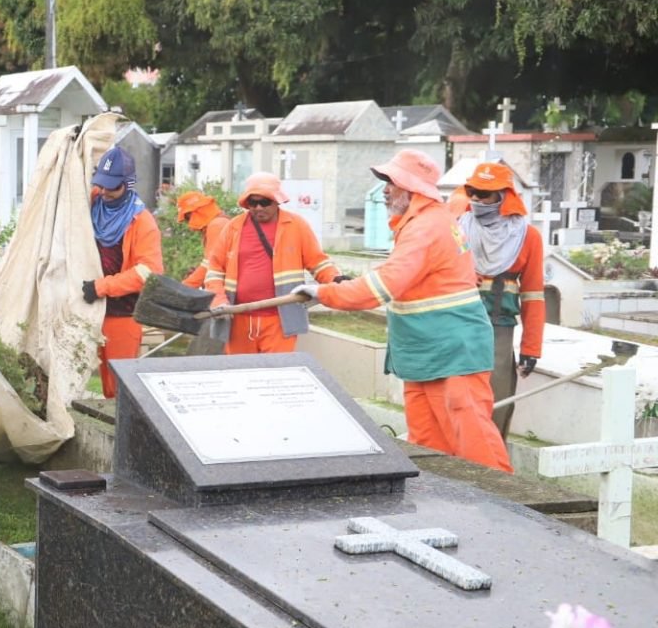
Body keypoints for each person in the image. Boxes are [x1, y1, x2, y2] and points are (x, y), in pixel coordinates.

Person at [293, 150, 512, 472]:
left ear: (412, 189)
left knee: (473, 441)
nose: (384, 189)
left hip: (452, 352)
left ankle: (507, 509)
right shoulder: (422, 223)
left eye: (391, 182)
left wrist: (325, 293)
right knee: (427, 446)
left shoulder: (426, 227)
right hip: (428, 352)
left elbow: (382, 288)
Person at [203, 172, 343, 354]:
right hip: (238, 319)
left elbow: (317, 263)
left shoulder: (296, 225)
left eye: (265, 202)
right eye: (253, 203)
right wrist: (218, 300)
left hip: (280, 320)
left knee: (276, 376)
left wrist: (336, 279)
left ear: (277, 201)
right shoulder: (233, 228)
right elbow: (214, 270)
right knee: (241, 375)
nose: (259, 207)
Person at [458, 162, 545, 437]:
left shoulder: (527, 237)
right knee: (454, 398)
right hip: (456, 322)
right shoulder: (456, 227)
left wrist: (531, 348)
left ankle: (489, 466)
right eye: (472, 191)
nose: (476, 200)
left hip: (499, 328)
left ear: (504, 195)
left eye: (484, 194)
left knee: (495, 400)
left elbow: (533, 295)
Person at [78, 146, 163, 398]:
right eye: (101, 185)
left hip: (121, 315)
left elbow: (149, 271)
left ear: (128, 184)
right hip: (86, 309)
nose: (104, 192)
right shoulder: (93, 201)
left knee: (117, 388)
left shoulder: (142, 222)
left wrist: (101, 287)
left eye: (111, 187)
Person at [177, 190, 230, 289]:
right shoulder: (217, 223)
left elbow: (210, 264)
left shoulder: (217, 225)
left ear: (193, 213)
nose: (189, 224)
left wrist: (184, 287)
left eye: (188, 218)